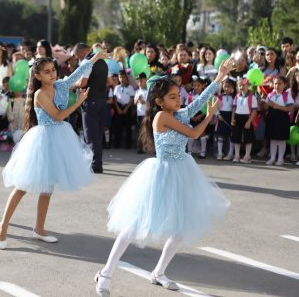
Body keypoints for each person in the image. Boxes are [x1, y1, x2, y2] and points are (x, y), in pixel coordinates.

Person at [94, 58, 233, 296]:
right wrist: (209, 115)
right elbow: (194, 133)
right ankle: (105, 273)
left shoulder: (177, 112)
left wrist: (218, 78)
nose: (179, 100)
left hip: (182, 171)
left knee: (180, 228)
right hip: (162, 174)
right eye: (173, 97)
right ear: (159, 101)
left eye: (179, 95)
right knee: (133, 227)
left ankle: (158, 272)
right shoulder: (162, 117)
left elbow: (198, 100)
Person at [0, 52, 107, 250]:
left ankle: (39, 228)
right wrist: (79, 102)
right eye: (46, 72)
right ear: (37, 76)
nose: (52, 74)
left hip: (59, 138)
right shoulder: (40, 94)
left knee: (47, 188)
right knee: (22, 186)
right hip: (43, 139)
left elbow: (79, 71)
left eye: (53, 70)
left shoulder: (62, 86)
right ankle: (2, 227)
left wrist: (95, 57)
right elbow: (57, 115)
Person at [72, 42, 109, 173]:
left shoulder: (87, 62)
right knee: (98, 134)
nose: (77, 58)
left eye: (76, 55)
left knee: (91, 135)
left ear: (81, 51)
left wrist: (74, 84)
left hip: (90, 101)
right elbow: (108, 81)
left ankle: (95, 164)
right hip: (101, 100)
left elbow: (83, 83)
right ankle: (97, 162)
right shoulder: (102, 61)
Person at [262, 76, 294, 165]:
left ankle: (280, 159)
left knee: (281, 140)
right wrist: (267, 104)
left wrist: (278, 106)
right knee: (273, 139)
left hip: (282, 119)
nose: (277, 86)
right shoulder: (270, 95)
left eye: (280, 84)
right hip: (272, 119)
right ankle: (272, 158)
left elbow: (290, 108)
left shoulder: (286, 95)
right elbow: (265, 108)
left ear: (285, 85)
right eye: (276, 83)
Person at [230, 77, 258, 163]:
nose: (241, 87)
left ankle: (247, 156)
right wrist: (232, 118)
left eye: (243, 85)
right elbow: (234, 108)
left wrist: (249, 121)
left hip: (247, 118)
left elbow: (254, 111)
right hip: (238, 118)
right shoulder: (237, 96)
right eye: (239, 85)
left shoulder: (252, 97)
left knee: (248, 138)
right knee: (236, 137)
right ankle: (237, 155)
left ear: (248, 86)